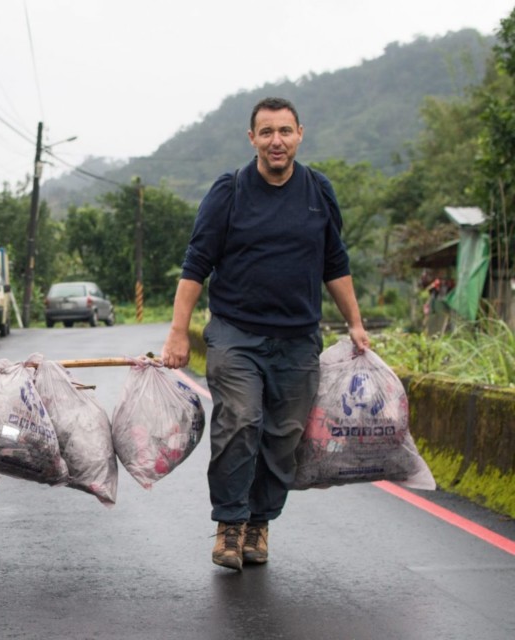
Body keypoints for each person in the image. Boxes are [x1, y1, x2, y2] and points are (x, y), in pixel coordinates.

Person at [160, 97, 370, 571]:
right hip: (236, 334)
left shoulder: (318, 190)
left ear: (300, 134)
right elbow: (196, 264)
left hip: (298, 340)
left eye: (285, 131)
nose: (277, 141)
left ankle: (259, 522)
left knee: (284, 437)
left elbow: (335, 262)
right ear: (252, 138)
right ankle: (230, 523)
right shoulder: (230, 190)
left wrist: (355, 323)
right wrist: (178, 332)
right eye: (267, 132)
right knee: (240, 421)